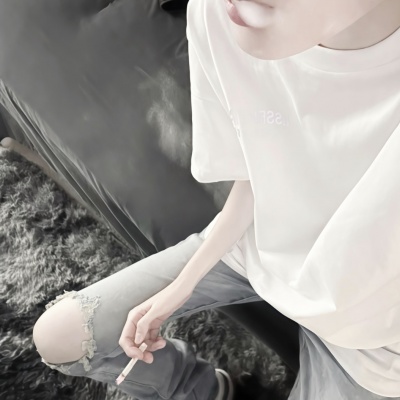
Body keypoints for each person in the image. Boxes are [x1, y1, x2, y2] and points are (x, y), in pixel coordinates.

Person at [32, 0, 400, 399]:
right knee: (60, 337)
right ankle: (200, 390)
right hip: (257, 246)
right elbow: (260, 172)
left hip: (373, 338)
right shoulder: (223, 13)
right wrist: (183, 283)